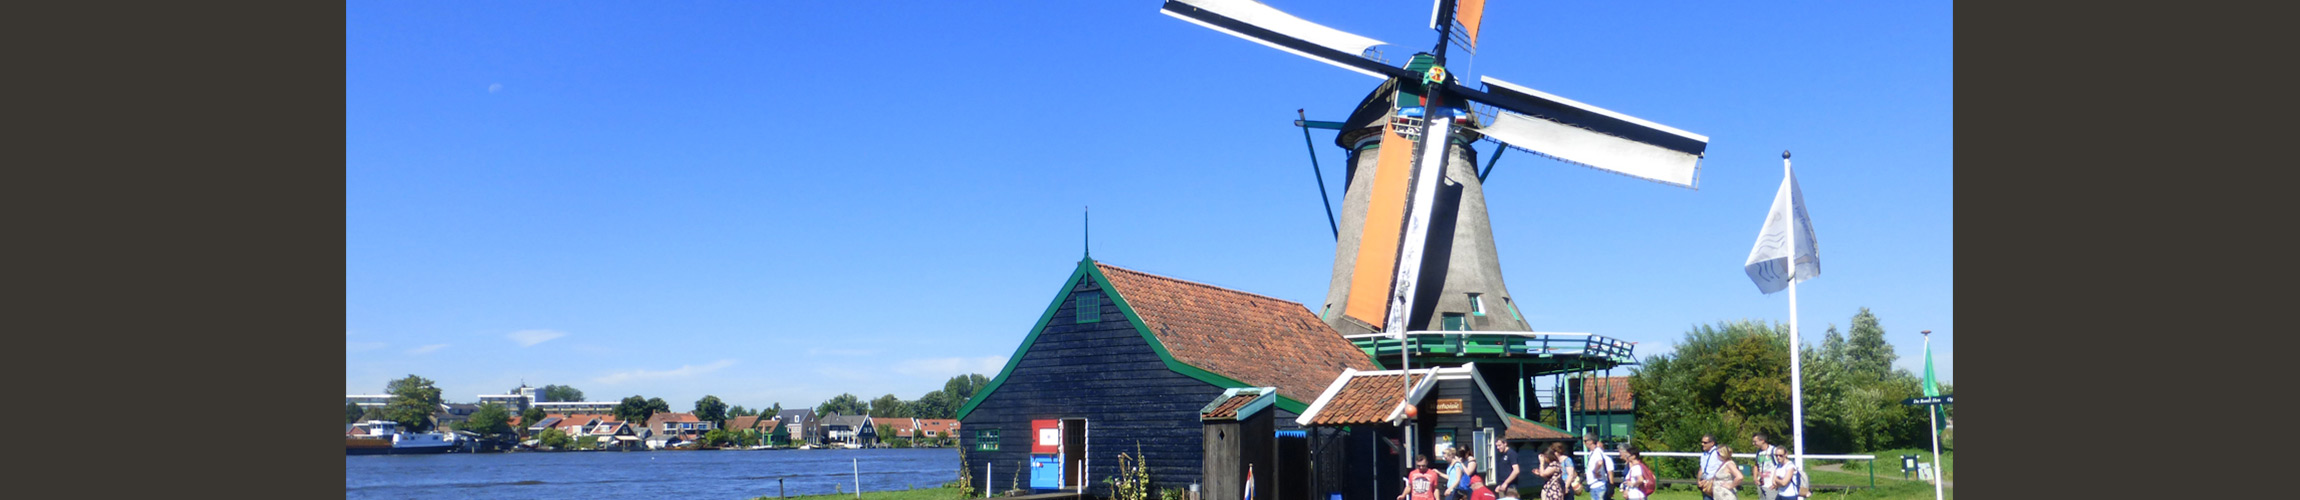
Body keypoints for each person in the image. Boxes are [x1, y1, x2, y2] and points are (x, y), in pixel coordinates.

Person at [1581, 436, 1613, 500]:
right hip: (1594, 485)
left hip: (1599, 485)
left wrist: (1595, 471)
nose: (1584, 443)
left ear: (1591, 441)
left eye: (1585, 441)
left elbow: (1600, 462)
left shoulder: (1597, 451)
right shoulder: (1592, 453)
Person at [1696, 434, 1720, 500]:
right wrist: (1699, 481)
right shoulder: (1704, 454)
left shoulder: (1718, 453)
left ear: (1712, 443)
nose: (1702, 444)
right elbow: (1701, 468)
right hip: (1705, 485)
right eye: (1702, 442)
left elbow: (1723, 469)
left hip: (1716, 485)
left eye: (1705, 442)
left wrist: (1711, 480)